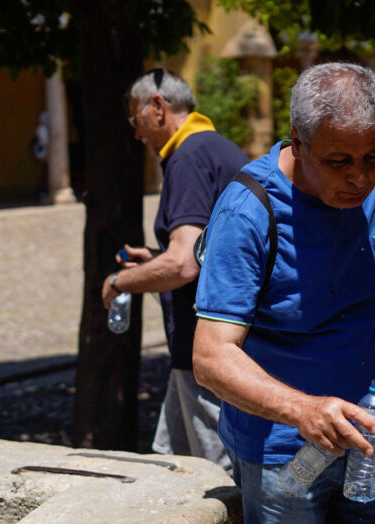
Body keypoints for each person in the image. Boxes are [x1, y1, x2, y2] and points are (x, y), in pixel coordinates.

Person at [191, 62, 375, 524]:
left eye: (370, 156)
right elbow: (210, 357)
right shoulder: (248, 212)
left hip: (372, 434)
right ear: (298, 143)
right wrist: (303, 410)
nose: (359, 178)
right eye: (338, 162)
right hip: (284, 457)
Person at [101, 68, 248, 470]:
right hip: (207, 347)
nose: (137, 133)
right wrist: (156, 258)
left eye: (137, 120)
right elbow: (203, 251)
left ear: (158, 107)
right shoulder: (216, 148)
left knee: (216, 476)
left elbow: (182, 264)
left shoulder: (189, 157)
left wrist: (120, 282)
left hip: (208, 345)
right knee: (171, 464)